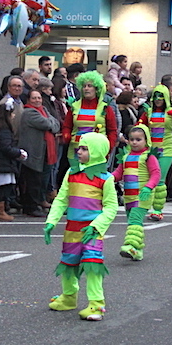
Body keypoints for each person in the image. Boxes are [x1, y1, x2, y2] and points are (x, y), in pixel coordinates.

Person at [44, 132, 118, 321]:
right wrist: (51, 221)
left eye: (85, 148)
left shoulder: (105, 178)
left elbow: (111, 207)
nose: (79, 151)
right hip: (72, 229)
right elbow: (61, 199)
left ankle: (96, 303)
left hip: (92, 231)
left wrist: (97, 226)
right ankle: (69, 297)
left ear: (97, 151)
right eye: (79, 147)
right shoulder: (72, 172)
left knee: (93, 265)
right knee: (68, 264)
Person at [138, 84, 172, 219]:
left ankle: (157, 210)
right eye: (155, 96)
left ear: (166, 97)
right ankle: (144, 207)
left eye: (161, 96)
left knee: (159, 180)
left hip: (166, 151)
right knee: (147, 180)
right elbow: (139, 128)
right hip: (151, 150)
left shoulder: (171, 112)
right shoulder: (149, 112)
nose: (158, 99)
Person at [113, 125, 160, 261]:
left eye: (138, 139)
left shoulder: (148, 157)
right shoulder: (125, 156)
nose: (134, 142)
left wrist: (148, 187)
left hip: (142, 195)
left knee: (134, 220)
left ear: (146, 140)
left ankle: (130, 246)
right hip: (128, 196)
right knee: (133, 222)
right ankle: (138, 251)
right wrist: (107, 179)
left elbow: (156, 174)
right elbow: (118, 173)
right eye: (131, 139)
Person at [61, 71, 117, 170]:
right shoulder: (74, 106)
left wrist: (108, 148)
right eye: (84, 86)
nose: (86, 88)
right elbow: (67, 126)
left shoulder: (105, 108)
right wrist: (66, 136)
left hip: (97, 151)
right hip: (76, 150)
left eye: (90, 86)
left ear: (96, 89)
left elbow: (112, 130)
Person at [19, 89, 60, 217]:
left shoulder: (44, 110)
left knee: (41, 180)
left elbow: (56, 123)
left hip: (45, 151)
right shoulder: (29, 112)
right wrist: (51, 124)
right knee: (33, 180)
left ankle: (39, 202)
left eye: (39, 98)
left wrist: (52, 124)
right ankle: (31, 206)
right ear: (28, 100)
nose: (37, 101)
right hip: (34, 152)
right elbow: (47, 123)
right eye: (34, 98)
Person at [0, 99, 26, 222]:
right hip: (2, 163)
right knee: (1, 187)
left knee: (5, 186)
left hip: (4, 162)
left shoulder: (1, 129)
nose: (14, 116)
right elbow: (6, 147)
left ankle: (2, 209)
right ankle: (0, 211)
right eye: (12, 113)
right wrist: (18, 153)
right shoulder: (3, 131)